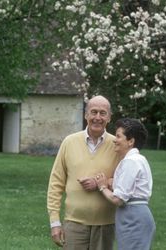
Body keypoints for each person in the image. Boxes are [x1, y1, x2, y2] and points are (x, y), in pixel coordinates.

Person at [47, 95, 120, 250]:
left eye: (103, 113)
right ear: (86, 115)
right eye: (93, 112)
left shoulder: (117, 146)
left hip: (105, 226)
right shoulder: (69, 142)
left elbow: (124, 181)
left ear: (109, 117)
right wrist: (55, 222)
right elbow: (56, 183)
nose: (97, 117)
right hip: (74, 224)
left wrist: (102, 183)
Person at [95, 118, 156, 250]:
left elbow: (118, 199)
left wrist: (102, 186)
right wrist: (112, 182)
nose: (114, 140)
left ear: (131, 141)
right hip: (135, 216)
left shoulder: (130, 162)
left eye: (118, 136)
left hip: (133, 218)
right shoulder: (138, 159)